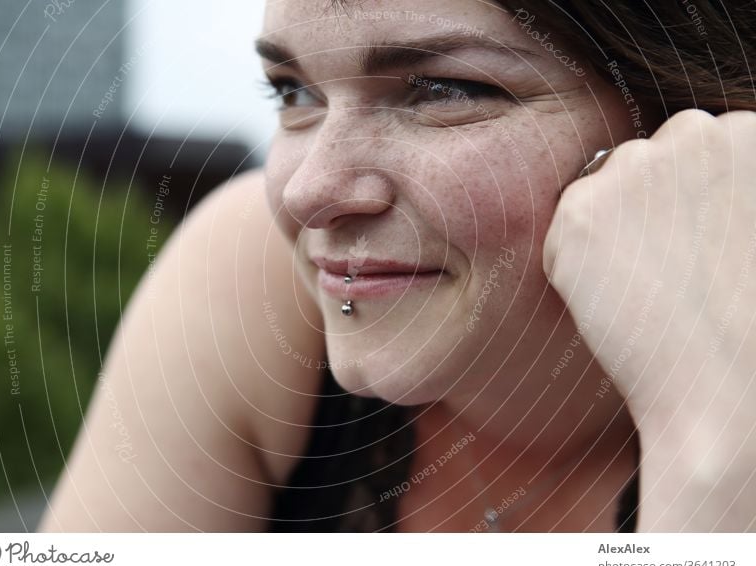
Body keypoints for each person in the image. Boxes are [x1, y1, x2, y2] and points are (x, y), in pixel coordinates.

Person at [39, 0, 756, 533]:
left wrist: (717, 446)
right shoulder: (248, 273)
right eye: (295, 92)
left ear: (698, 128)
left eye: (444, 89)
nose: (308, 192)